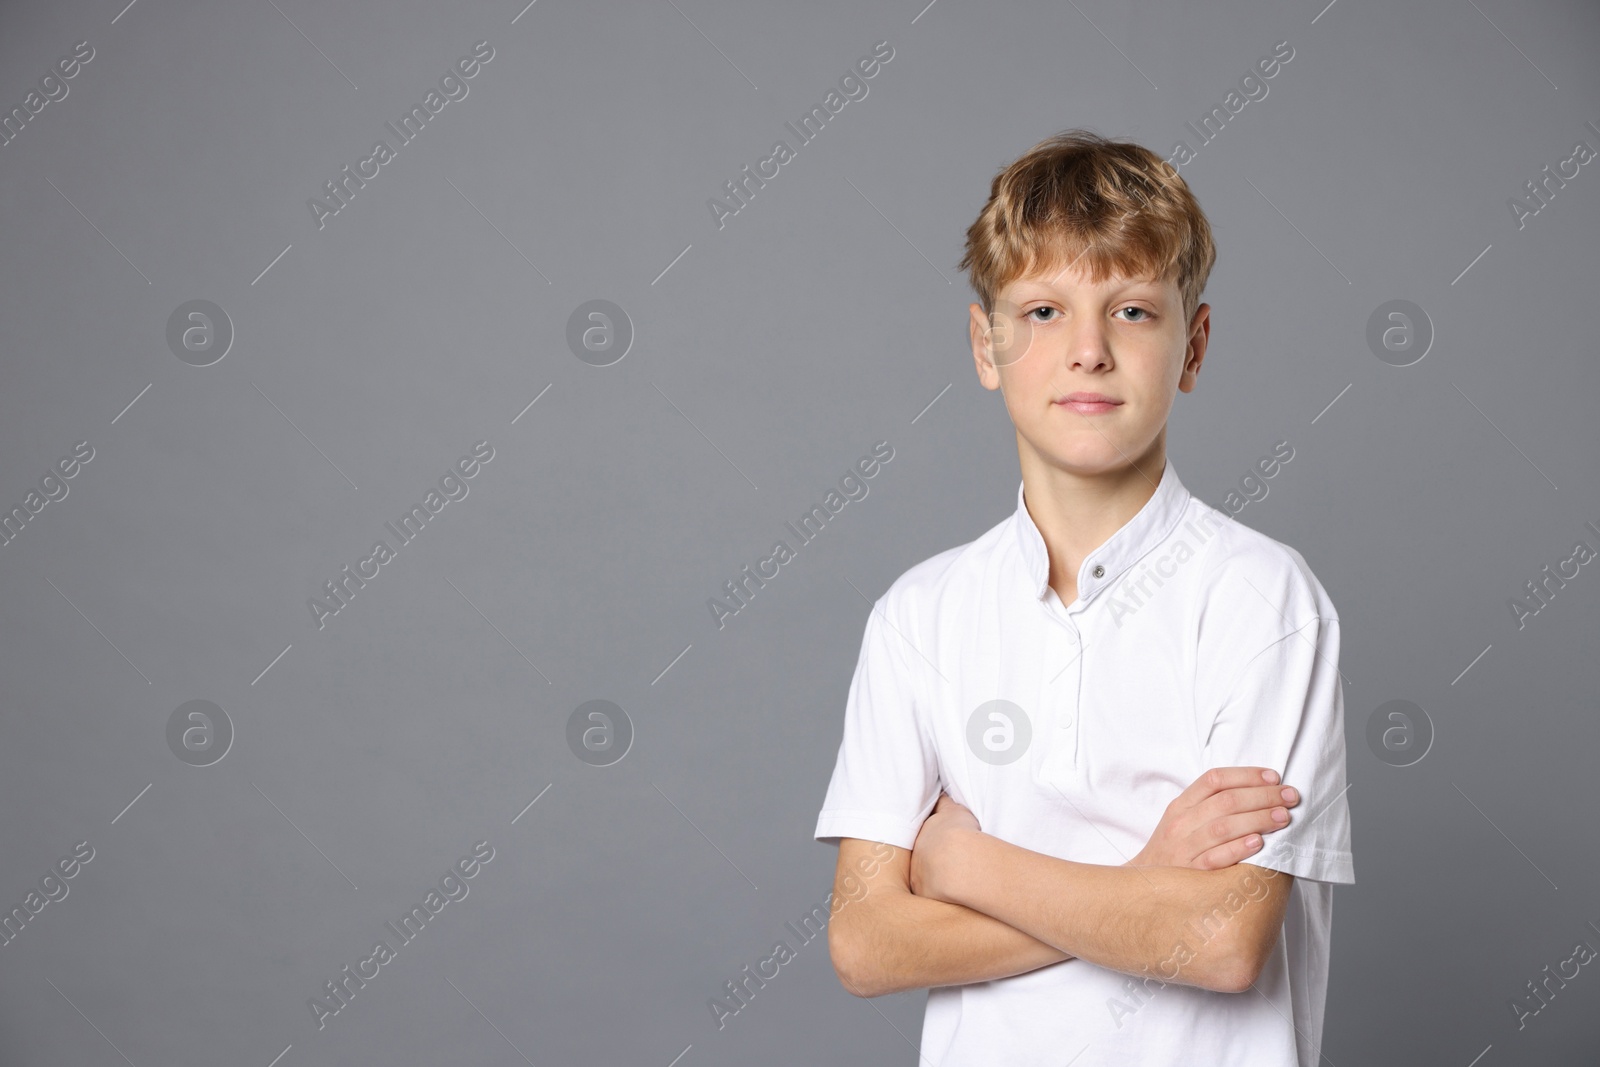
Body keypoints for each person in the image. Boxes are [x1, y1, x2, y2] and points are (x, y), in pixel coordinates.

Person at [813, 128, 1354, 1066]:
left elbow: (1222, 941)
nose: (1089, 350)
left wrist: (967, 866)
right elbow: (864, 945)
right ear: (988, 346)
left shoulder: (1264, 602)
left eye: (1135, 311)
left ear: (1194, 344)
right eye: (1044, 311)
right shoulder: (921, 615)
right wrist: (1146, 876)